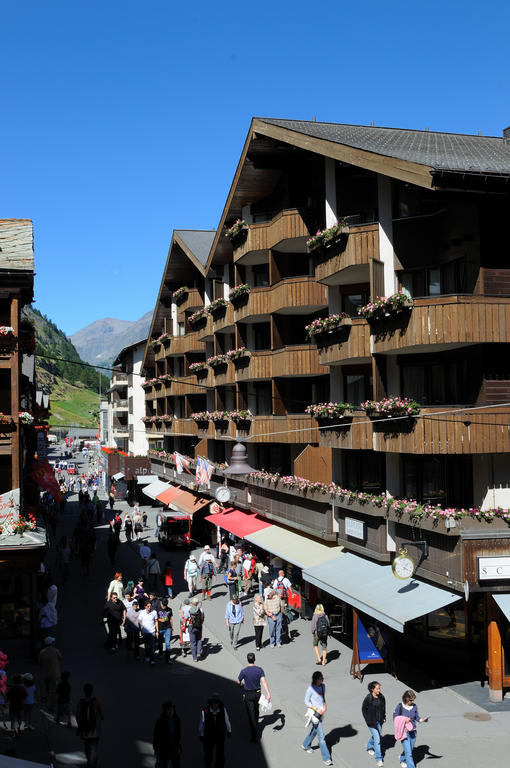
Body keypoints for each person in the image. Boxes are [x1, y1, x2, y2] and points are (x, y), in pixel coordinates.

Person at [237, 652, 270, 742]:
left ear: (247, 660)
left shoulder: (244, 671)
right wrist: (268, 693)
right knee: (256, 710)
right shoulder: (259, 670)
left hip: (248, 694)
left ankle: (255, 733)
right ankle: (256, 724)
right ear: (254, 659)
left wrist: (240, 686)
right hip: (257, 694)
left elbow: (238, 681)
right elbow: (264, 682)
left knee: (250, 713)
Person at [302, 671, 332, 765]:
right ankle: (326, 758)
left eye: (322, 678)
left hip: (321, 712)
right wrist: (315, 709)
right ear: (316, 679)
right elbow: (306, 701)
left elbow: (323, 697)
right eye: (320, 678)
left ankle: (305, 745)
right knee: (321, 737)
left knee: (315, 730)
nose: (322, 679)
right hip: (315, 714)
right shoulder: (311, 689)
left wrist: (325, 705)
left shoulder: (323, 686)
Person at [393, 689, 428, 768]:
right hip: (404, 732)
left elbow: (417, 718)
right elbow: (395, 718)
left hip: (413, 732)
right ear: (406, 699)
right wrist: (404, 719)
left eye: (413, 700)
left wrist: (423, 720)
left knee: (410, 750)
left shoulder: (414, 706)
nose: (412, 701)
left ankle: (402, 758)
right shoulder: (400, 706)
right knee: (409, 753)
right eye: (411, 700)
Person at [199, 693, 231, 768]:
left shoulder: (223, 709)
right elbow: (201, 723)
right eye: (214, 702)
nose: (215, 704)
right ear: (211, 702)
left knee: (220, 753)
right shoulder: (205, 711)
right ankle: (208, 765)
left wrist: (229, 730)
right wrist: (201, 734)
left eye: (217, 702)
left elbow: (227, 720)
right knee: (208, 752)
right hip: (209, 735)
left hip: (220, 734)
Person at [76, 683, 104, 768]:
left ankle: (90, 761)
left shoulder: (81, 702)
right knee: (94, 747)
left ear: (84, 692)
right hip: (95, 730)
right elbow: (102, 715)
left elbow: (77, 715)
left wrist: (81, 726)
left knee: (87, 746)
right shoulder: (96, 701)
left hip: (85, 730)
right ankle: (92, 763)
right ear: (92, 691)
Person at [362, 680, 386, 767]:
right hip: (371, 722)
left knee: (377, 736)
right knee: (377, 739)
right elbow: (364, 709)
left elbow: (383, 708)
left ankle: (369, 745)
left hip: (379, 721)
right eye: (377, 688)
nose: (379, 690)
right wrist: (367, 720)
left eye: (379, 688)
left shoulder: (382, 697)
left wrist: (384, 717)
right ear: (372, 689)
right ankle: (379, 758)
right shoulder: (368, 698)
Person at [153, 700, 182, 768]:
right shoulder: (160, 722)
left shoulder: (176, 720)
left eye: (172, 709)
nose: (170, 711)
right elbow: (156, 736)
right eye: (168, 710)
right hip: (164, 748)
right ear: (165, 711)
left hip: (174, 747)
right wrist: (156, 748)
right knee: (163, 765)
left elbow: (178, 734)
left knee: (176, 765)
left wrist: (178, 745)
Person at [37, 636, 62, 713]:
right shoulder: (55, 650)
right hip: (55, 674)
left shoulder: (42, 652)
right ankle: (52, 706)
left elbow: (39, 662)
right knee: (53, 691)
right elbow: (60, 658)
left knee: (48, 689)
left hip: (46, 674)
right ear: (51, 643)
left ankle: (50, 702)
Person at [139, 600, 159, 665]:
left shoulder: (154, 612)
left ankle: (152, 660)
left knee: (152, 646)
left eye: (150, 606)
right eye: (148, 606)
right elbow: (139, 621)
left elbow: (156, 621)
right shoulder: (142, 612)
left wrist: (157, 631)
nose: (149, 607)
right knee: (147, 646)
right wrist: (141, 628)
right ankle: (147, 656)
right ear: (145, 606)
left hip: (152, 632)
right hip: (145, 632)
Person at [7, 674, 26, 738]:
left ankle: (16, 733)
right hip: (20, 705)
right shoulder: (22, 688)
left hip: (12, 705)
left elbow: (8, 697)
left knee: (13, 719)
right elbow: (25, 695)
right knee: (19, 717)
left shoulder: (12, 689)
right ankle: (19, 728)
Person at [157, 598, 174, 664]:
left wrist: (172, 628)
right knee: (160, 642)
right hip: (160, 628)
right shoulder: (158, 609)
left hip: (167, 628)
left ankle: (168, 659)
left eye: (165, 606)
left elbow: (170, 619)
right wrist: (160, 620)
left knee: (167, 644)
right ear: (161, 604)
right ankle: (160, 652)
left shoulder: (169, 609)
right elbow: (155, 618)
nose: (164, 607)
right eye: (163, 605)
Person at [189, 597, 204, 662]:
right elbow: (203, 618)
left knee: (193, 643)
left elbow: (186, 618)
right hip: (199, 626)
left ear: (192, 603)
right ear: (197, 603)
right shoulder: (201, 609)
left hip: (191, 627)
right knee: (199, 639)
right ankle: (199, 652)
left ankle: (194, 658)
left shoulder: (190, 609)